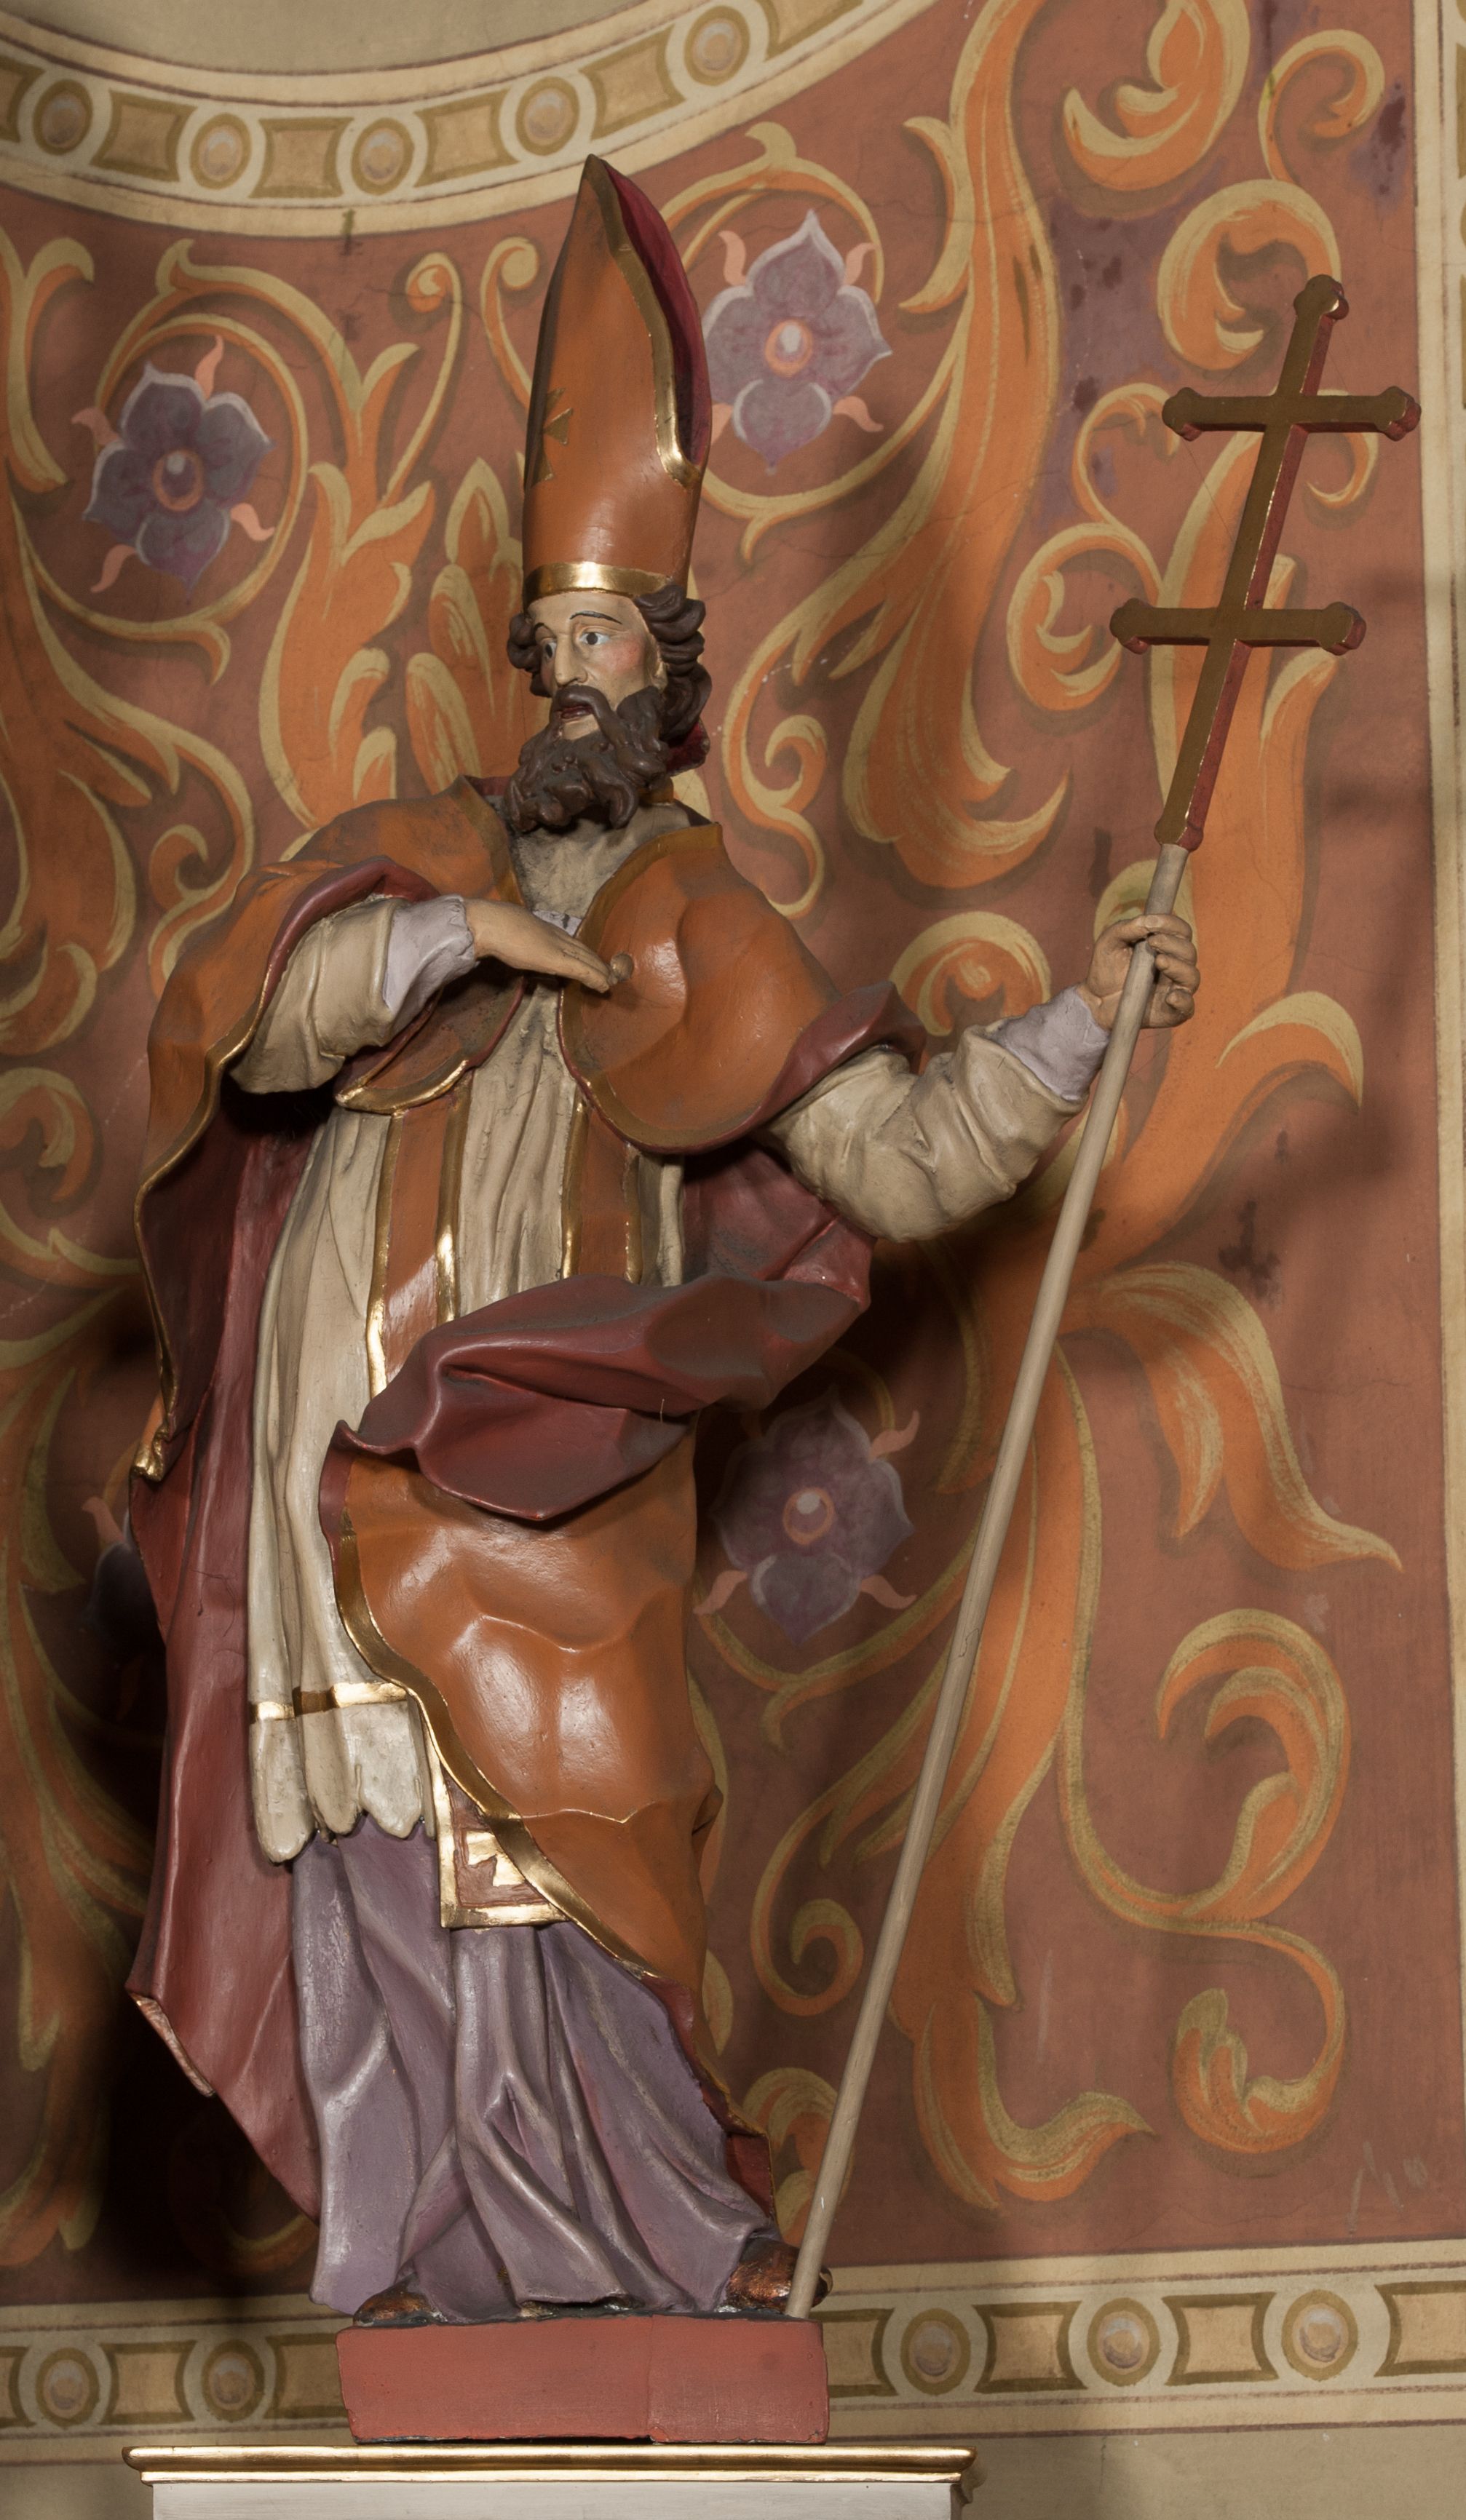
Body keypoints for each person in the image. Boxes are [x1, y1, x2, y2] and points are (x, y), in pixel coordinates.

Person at [127, 158, 1197, 2328]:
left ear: (671, 667)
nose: (560, 683)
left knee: (588, 1812)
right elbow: (242, 1025)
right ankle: (420, 2264)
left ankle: (639, 2254)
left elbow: (900, 1159)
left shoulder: (705, 918)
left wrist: (1088, 1019)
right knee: (367, 1841)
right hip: (332, 1457)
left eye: (599, 645)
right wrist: (460, 935)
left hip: (549, 1454)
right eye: (543, 649)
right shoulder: (420, 859)